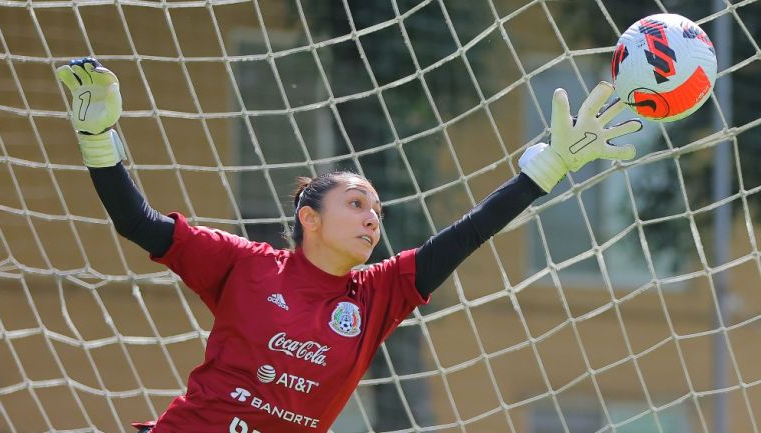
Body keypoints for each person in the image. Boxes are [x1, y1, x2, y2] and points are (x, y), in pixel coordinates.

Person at [56, 57, 642, 433]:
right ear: (308, 218)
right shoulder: (246, 264)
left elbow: (468, 234)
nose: (372, 219)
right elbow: (139, 223)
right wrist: (96, 137)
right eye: (356, 204)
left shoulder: (377, 294)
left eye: (377, 211)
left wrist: (549, 167)